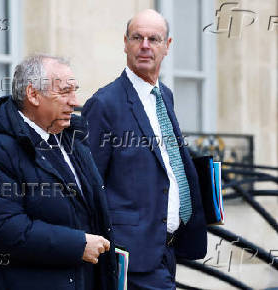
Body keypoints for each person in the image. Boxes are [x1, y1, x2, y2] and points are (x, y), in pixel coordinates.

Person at [0, 54, 117, 290]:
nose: (75, 101)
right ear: (33, 95)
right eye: (65, 92)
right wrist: (77, 245)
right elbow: (1, 228)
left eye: (74, 90)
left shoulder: (73, 139)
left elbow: (90, 211)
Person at [82, 9, 207, 289]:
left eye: (154, 38)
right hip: (131, 255)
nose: (145, 46)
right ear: (125, 43)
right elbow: (89, 185)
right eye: (137, 37)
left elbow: (168, 164)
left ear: (167, 46)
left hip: (167, 249)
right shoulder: (104, 104)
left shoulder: (164, 95)